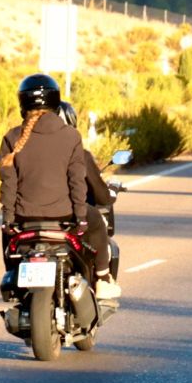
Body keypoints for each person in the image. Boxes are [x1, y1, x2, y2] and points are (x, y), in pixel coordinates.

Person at [0, 73, 97, 284]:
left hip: (23, 218)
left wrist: (8, 220)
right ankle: (104, 278)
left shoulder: (11, 137)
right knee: (96, 221)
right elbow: (77, 181)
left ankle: (14, 277)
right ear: (55, 101)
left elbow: (8, 185)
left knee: (7, 240)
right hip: (63, 214)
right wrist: (80, 218)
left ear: (22, 103)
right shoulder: (71, 136)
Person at [59, 102, 119, 299]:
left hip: (28, 216)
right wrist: (110, 193)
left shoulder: (26, 152)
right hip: (69, 214)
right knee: (98, 224)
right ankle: (103, 278)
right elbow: (102, 196)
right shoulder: (79, 155)